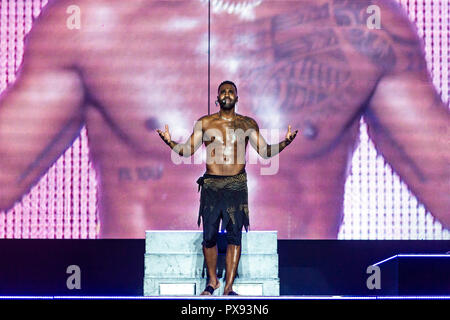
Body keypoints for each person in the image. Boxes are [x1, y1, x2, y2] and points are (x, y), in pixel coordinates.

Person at [0, 0, 448, 239]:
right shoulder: (93, 22)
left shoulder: (360, 26)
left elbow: (442, 176)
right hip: (139, 292)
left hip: (298, 292)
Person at [157, 80, 297, 295]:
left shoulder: (247, 124)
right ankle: (213, 282)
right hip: (212, 185)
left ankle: (229, 287)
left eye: (231, 91)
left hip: (236, 185)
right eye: (223, 91)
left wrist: (285, 142)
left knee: (234, 236)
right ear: (217, 97)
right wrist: (169, 141)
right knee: (209, 236)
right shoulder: (204, 123)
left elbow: (265, 152)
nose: (227, 94)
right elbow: (187, 151)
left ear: (237, 98)